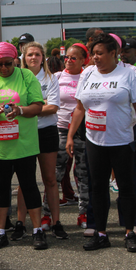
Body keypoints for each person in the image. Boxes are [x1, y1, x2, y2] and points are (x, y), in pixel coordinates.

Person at [66, 33, 136, 252]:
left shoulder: (129, 73)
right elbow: (80, 107)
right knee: (98, 187)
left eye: (100, 53)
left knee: (126, 187)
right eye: (93, 53)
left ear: (114, 53)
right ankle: (101, 233)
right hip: (95, 140)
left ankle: (129, 232)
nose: (95, 58)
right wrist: (70, 135)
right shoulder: (87, 73)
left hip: (122, 139)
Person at [0, 42, 47, 251]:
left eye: (8, 64)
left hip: (24, 143)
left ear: (15, 60)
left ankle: (37, 231)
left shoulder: (26, 77)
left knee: (29, 186)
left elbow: (38, 106)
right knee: (1, 188)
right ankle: (1, 232)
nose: (4, 68)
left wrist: (20, 110)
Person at [18, 41, 66, 240]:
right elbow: (15, 105)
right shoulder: (18, 77)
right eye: (29, 54)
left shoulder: (50, 78)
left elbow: (53, 107)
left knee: (50, 180)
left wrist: (29, 107)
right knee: (24, 181)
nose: (33, 58)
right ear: (24, 57)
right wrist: (38, 105)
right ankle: (20, 222)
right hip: (25, 132)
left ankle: (56, 222)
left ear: (42, 57)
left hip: (46, 131)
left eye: (37, 54)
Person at [54, 44, 91, 230]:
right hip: (60, 129)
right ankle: (49, 215)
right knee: (56, 174)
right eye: (66, 57)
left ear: (84, 60)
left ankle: (84, 213)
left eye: (73, 58)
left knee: (83, 174)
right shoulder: (57, 77)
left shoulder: (89, 76)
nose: (68, 61)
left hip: (83, 130)